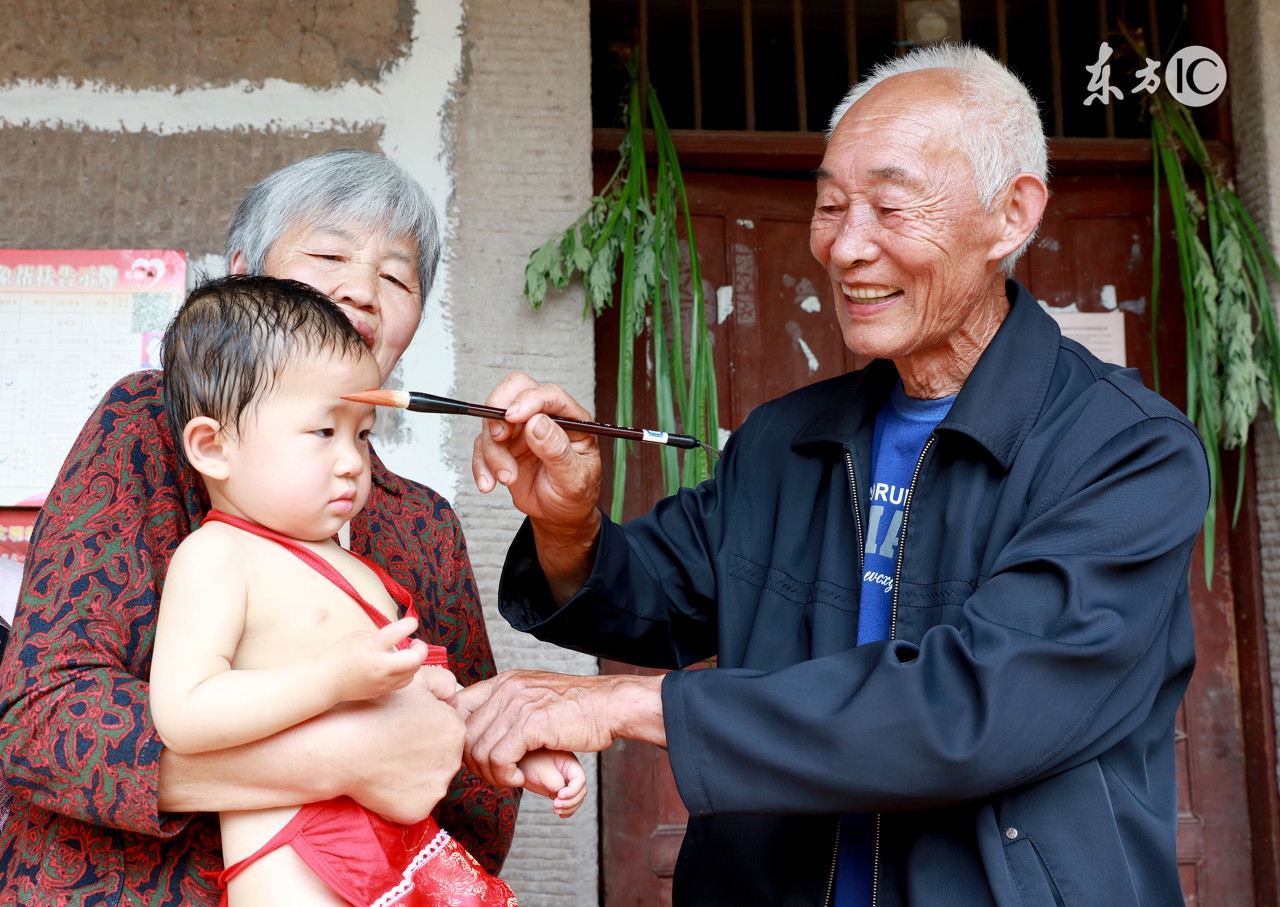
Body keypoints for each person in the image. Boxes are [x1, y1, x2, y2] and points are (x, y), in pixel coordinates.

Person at [458, 44, 1209, 906]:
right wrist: (567, 521)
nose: (847, 245)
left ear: (1012, 215)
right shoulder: (789, 440)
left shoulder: (1125, 451)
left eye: (890, 206)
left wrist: (621, 708)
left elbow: (970, 707)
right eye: (829, 205)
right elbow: (653, 601)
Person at [0, 150, 520, 904]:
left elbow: (473, 793)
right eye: (330, 254)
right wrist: (339, 757)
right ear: (242, 271)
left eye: (398, 278)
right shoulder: (149, 426)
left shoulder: (421, 523)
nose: (361, 292)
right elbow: (45, 720)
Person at [150, 275, 584, 906]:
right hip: (291, 857)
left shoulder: (359, 568)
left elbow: (420, 706)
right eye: (324, 432)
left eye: (362, 434)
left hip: (399, 843)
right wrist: (329, 677)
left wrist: (511, 750)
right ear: (213, 447)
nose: (353, 461)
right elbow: (184, 712)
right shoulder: (219, 555)